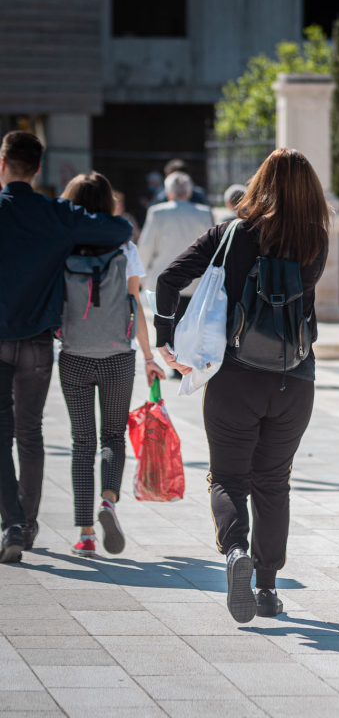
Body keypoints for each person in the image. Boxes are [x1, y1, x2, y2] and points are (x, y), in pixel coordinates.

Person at [155, 148, 328, 622]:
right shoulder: (316, 239)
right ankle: (267, 590)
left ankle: (235, 554)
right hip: (295, 378)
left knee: (229, 478)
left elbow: (169, 279)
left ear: (260, 183)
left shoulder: (232, 233)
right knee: (273, 482)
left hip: (234, 374)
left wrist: (165, 337)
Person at [0, 131, 132, 563]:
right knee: (29, 433)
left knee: (4, 434)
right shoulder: (55, 213)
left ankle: (11, 524)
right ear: (38, 169)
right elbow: (120, 228)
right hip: (38, 342)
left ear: (2, 165)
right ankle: (30, 522)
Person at [57, 173, 167, 557]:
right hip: (118, 356)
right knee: (112, 437)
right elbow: (135, 304)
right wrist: (149, 357)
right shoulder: (125, 247)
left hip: (74, 354)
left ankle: (86, 533)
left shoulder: (63, 243)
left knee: (82, 442)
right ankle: (108, 501)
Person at [138, 171, 214, 326]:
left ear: (167, 192)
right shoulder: (204, 213)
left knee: (165, 329)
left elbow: (146, 247)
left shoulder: (157, 213)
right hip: (195, 282)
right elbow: (212, 249)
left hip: (163, 280)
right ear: (189, 192)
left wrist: (141, 277)